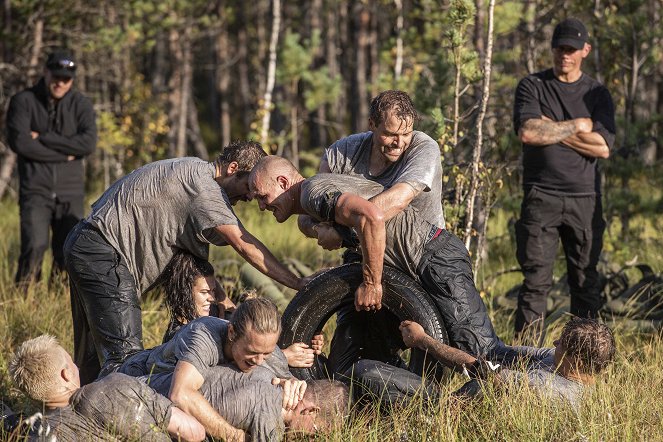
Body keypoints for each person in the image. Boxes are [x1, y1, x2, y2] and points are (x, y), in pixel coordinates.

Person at [63, 140, 305, 385]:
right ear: (232, 168)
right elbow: (243, 243)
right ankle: (124, 416)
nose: (250, 196)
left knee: (93, 353)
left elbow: (194, 267)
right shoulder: (204, 187)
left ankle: (79, 404)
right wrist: (297, 282)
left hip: (85, 244)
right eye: (248, 185)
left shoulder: (190, 173)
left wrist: (229, 307)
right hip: (102, 252)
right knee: (124, 359)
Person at [249, 157, 503, 376]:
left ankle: (537, 370)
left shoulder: (311, 192)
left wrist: (372, 283)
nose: (261, 206)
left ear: (283, 183)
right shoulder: (310, 203)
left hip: (434, 257)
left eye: (262, 196)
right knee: (372, 347)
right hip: (412, 266)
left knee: (478, 349)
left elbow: (372, 217)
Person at [513, 18, 616, 341]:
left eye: (571, 49)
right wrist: (579, 125)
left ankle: (584, 360)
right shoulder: (533, 86)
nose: (564, 55)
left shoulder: (597, 94)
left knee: (585, 283)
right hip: (541, 197)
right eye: (559, 48)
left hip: (584, 200)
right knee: (535, 284)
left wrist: (554, 128)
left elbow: (603, 147)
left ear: (585, 50)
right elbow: (529, 132)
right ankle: (526, 361)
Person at [118, 297, 307, 442]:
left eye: (266, 353)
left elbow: (290, 390)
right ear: (232, 332)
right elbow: (181, 395)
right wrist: (235, 437)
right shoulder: (203, 336)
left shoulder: (266, 349)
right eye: (252, 352)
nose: (259, 360)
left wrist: (287, 384)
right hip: (135, 378)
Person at [354, 317, 615, 410]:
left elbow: (480, 369)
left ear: (576, 360)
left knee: (365, 371)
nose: (555, 342)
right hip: (467, 397)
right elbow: (504, 354)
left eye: (562, 344)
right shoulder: (563, 364)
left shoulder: (554, 391)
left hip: (445, 409)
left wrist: (424, 340)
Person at [6, 49, 97, 285]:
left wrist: (44, 137)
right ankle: (24, 299)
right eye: (55, 76)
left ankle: (59, 302)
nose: (60, 83)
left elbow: (87, 143)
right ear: (45, 72)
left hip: (70, 191)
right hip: (35, 189)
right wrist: (67, 154)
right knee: (34, 247)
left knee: (67, 252)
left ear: (73, 79)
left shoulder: (81, 105)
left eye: (66, 79)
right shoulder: (23, 101)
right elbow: (21, 143)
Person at [8, 335, 205, 442]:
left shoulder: (37, 433)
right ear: (65, 374)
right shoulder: (115, 385)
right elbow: (194, 433)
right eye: (71, 362)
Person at [160, 249, 324, 368]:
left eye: (213, 291)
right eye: (204, 292)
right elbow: (220, 370)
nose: (211, 297)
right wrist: (283, 357)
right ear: (184, 293)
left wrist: (305, 335)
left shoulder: (218, 312)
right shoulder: (179, 336)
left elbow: (260, 336)